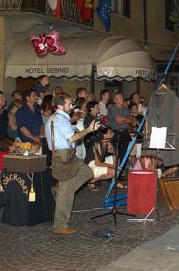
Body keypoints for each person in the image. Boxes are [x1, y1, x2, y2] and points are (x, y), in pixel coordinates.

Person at [46, 93, 99, 235]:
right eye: (69, 104)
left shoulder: (54, 118)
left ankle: (61, 190)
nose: (72, 106)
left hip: (66, 155)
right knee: (67, 193)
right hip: (65, 156)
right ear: (60, 105)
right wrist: (88, 130)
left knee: (87, 172)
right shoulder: (61, 120)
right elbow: (71, 138)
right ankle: (60, 226)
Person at [107, 92, 136, 166]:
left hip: (125, 132)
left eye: (122, 97)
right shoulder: (113, 108)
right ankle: (118, 170)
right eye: (119, 98)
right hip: (115, 133)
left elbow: (132, 121)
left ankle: (122, 169)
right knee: (118, 153)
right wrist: (127, 120)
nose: (122, 99)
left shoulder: (125, 109)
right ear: (115, 100)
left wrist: (124, 119)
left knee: (124, 153)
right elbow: (118, 121)